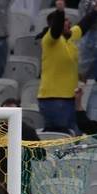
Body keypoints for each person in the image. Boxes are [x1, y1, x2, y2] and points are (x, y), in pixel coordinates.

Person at [37, 0, 97, 134]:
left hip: (68, 99)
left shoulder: (69, 36)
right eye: (65, 21)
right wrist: (60, 11)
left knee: (74, 136)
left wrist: (94, 11)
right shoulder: (50, 40)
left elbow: (83, 25)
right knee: (63, 137)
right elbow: (56, 29)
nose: (69, 23)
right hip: (54, 100)